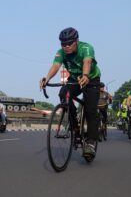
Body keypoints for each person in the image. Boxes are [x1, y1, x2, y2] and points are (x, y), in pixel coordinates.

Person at [40, 27, 101, 158]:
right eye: (63, 44)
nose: (66, 46)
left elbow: (87, 61)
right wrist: (47, 78)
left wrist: (85, 75)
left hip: (91, 79)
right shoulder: (61, 52)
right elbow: (56, 66)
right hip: (74, 79)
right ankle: (75, 126)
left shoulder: (86, 48)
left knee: (91, 110)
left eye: (69, 43)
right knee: (63, 94)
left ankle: (90, 143)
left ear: (77, 41)